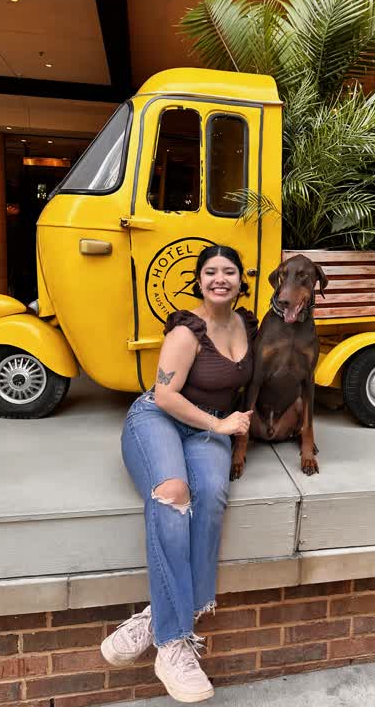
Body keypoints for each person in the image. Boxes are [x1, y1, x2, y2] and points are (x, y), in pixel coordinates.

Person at [101, 245, 256, 703]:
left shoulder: (248, 324)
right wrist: (221, 425)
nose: (220, 279)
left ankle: (154, 618)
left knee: (211, 496)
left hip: (210, 425)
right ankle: (173, 646)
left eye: (229, 271)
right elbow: (165, 395)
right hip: (161, 418)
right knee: (173, 493)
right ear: (200, 280)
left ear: (241, 280)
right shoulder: (188, 329)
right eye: (211, 272)